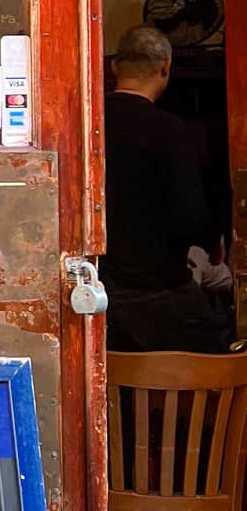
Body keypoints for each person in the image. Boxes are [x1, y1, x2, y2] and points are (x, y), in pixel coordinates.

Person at [101, 23, 232, 353]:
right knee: (213, 365)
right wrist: (213, 241)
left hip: (101, 289)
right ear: (164, 67)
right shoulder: (170, 130)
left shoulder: (89, 122)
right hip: (159, 286)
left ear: (115, 66)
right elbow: (189, 213)